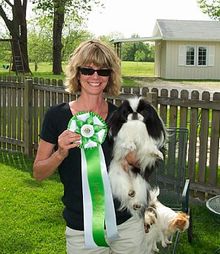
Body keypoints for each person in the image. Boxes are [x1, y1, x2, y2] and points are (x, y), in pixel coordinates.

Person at [33, 39, 147, 254]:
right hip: (82, 229)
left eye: (103, 71)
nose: (95, 77)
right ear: (77, 74)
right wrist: (60, 153)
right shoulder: (56, 117)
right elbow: (38, 173)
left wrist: (133, 159)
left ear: (110, 76)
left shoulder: (124, 118)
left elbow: (138, 169)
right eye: (88, 70)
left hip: (128, 223)